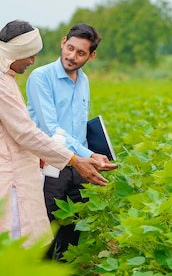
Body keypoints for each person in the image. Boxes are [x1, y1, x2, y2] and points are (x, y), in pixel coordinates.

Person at [0, 20, 109, 248]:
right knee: (14, 246)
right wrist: (75, 159)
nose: (32, 61)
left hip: (31, 167)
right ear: (15, 53)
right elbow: (27, 133)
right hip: (9, 178)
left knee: (37, 241)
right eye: (29, 55)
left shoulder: (4, 76)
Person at [26, 23, 117, 261]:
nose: (72, 56)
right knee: (45, 236)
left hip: (79, 168)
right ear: (63, 41)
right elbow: (51, 129)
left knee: (72, 238)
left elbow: (78, 127)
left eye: (80, 53)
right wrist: (89, 154)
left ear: (91, 55)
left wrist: (94, 154)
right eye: (70, 48)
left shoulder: (83, 80)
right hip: (50, 166)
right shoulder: (41, 78)